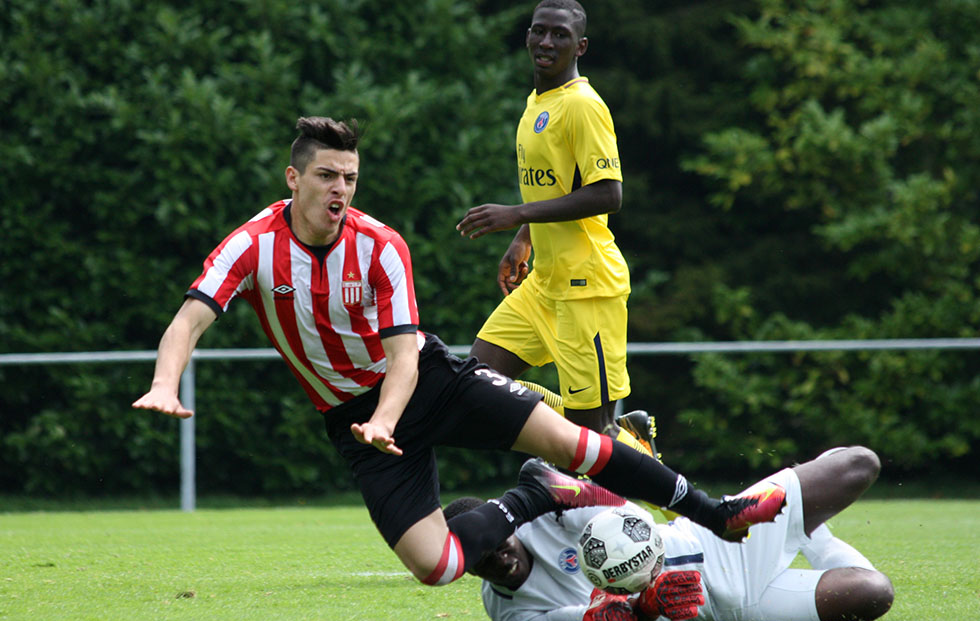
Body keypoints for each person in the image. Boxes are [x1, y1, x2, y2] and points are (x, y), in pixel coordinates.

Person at [132, 116, 787, 589]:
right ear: (293, 177)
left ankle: (715, 511)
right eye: (327, 175)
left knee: (575, 441)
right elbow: (189, 319)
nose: (341, 190)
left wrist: (387, 418)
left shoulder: (381, 244)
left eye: (351, 177)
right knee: (437, 566)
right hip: (353, 422)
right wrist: (165, 382)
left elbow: (405, 356)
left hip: (428, 382)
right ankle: (537, 494)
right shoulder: (250, 245)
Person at [446, 446, 895, 621]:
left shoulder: (542, 513)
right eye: (481, 562)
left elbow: (629, 515)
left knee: (859, 462)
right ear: (465, 568)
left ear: (505, 526)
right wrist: (646, 606)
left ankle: (803, 526)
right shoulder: (507, 611)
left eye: (497, 544)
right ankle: (809, 531)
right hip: (729, 605)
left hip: (720, 533)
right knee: (874, 593)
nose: (497, 560)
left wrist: (563, 486)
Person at [457, 0, 630, 434]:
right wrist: (524, 239)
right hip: (544, 285)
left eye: (560, 35)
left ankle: (674, 489)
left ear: (581, 47)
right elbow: (556, 185)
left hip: (586, 288)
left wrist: (515, 215)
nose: (546, 42)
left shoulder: (583, 106)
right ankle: (618, 431)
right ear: (528, 36)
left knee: (592, 444)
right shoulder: (538, 102)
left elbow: (609, 193)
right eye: (539, 31)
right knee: (472, 385)